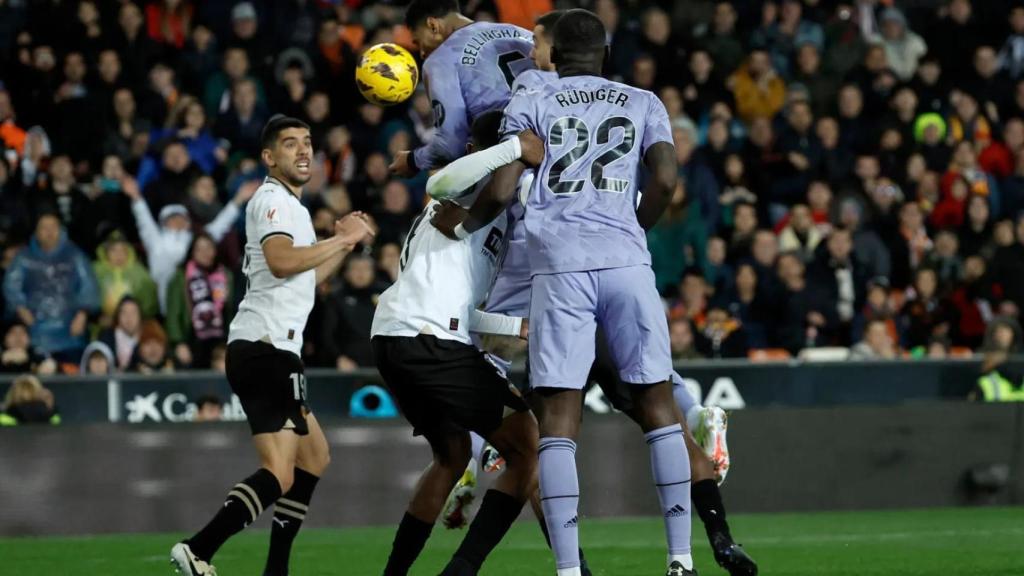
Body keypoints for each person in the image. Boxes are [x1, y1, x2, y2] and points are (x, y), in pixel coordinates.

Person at [430, 13, 755, 574]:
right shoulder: (644, 100)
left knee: (558, 420)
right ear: (604, 53)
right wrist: (633, 231)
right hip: (626, 260)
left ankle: (569, 570)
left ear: (553, 50)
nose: (533, 48)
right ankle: (681, 560)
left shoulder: (531, 100)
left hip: (560, 266)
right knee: (657, 407)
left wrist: (464, 222)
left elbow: (506, 183)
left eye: (537, 40)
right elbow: (668, 180)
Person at [169, 115, 374, 576]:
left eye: (307, 143)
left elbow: (305, 277)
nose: (303, 151)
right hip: (265, 350)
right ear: (269, 157)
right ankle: (198, 548)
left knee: (315, 456)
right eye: (289, 144)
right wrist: (341, 237)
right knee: (280, 473)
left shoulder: (291, 208)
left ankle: (274, 568)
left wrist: (344, 246)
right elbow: (282, 262)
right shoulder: (273, 201)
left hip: (269, 349)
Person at [372, 110, 545, 576]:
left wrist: (515, 329)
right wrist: (511, 149)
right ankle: (463, 569)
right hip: (426, 340)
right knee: (528, 446)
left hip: (403, 337)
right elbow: (441, 179)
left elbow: (460, 311)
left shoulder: (490, 214)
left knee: (450, 456)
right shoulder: (470, 183)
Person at [389, 0, 535, 176]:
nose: (421, 52)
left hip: (512, 167)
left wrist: (413, 160)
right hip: (561, 145)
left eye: (418, 41)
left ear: (433, 25)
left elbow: (450, 146)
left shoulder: (440, 60)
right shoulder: (520, 32)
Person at [2, 214, 99, 363]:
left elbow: (89, 285)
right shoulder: (23, 257)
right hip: (35, 332)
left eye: (53, 227)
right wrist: (21, 308)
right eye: (44, 228)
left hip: (70, 331)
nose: (49, 232)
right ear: (36, 232)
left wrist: (82, 314)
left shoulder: (75, 255)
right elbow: (11, 286)